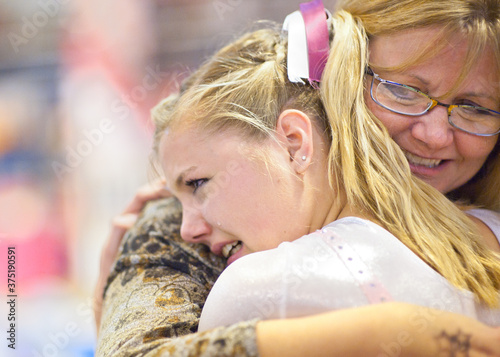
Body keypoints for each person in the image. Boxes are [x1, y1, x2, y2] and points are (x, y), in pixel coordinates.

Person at [95, 0, 500, 356]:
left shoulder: (258, 282)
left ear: (294, 141)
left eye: (475, 108)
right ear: (346, 73)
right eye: (404, 90)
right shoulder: (181, 229)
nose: (434, 135)